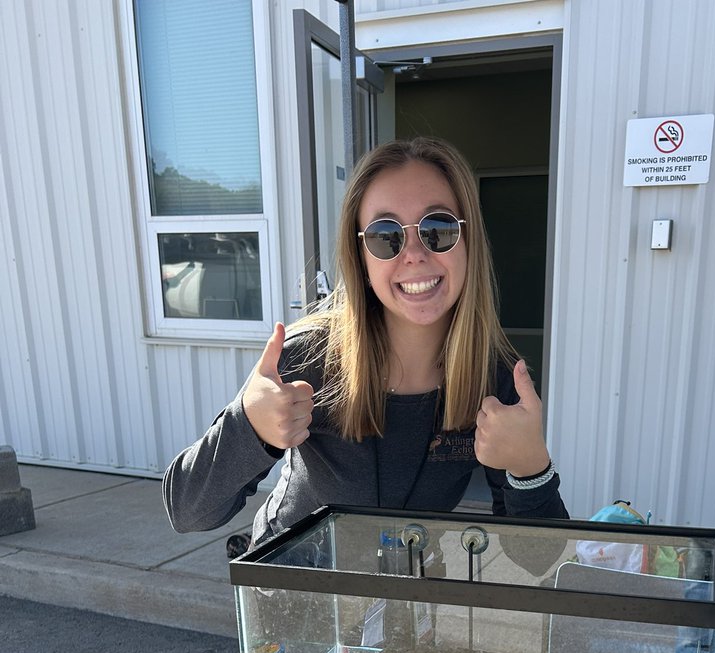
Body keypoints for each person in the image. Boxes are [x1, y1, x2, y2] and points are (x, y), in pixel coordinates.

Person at [163, 137, 567, 547]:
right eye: (385, 235)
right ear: (360, 255)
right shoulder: (307, 357)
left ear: (468, 241)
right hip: (296, 595)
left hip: (408, 596)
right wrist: (249, 427)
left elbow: (538, 560)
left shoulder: (497, 378)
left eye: (437, 229)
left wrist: (530, 468)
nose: (413, 254)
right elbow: (187, 511)